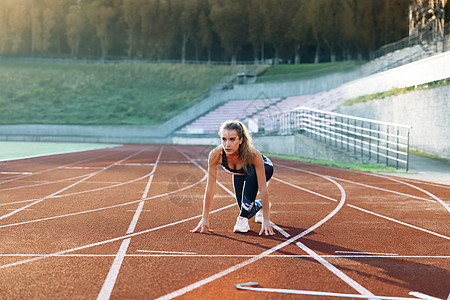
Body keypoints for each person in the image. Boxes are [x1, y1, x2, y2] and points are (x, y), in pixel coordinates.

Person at [191, 120, 275, 235]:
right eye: (224, 139)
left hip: (263, 168)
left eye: (232, 139)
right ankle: (259, 205)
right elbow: (210, 187)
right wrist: (205, 218)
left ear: (241, 140)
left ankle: (242, 220)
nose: (227, 144)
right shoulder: (216, 155)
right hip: (240, 173)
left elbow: (262, 188)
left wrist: (266, 219)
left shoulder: (253, 154)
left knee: (250, 179)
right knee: (246, 208)